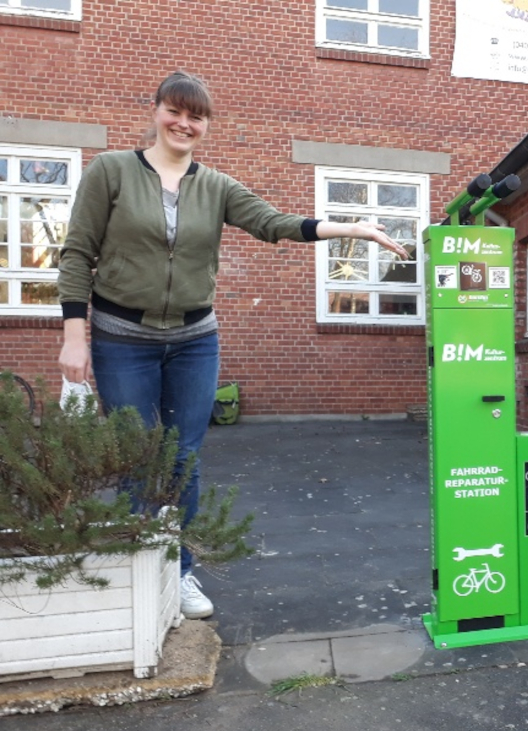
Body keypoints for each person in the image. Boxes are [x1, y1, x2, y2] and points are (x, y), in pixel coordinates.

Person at [57, 71, 408, 618]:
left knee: (184, 456)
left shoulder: (215, 186)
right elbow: (77, 254)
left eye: (196, 116)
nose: (185, 123)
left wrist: (353, 229)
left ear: (206, 126)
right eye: (176, 111)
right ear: (156, 112)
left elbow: (274, 224)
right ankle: (138, 569)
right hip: (123, 337)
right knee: (135, 454)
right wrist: (74, 337)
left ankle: (180, 570)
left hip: (195, 338)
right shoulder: (112, 172)